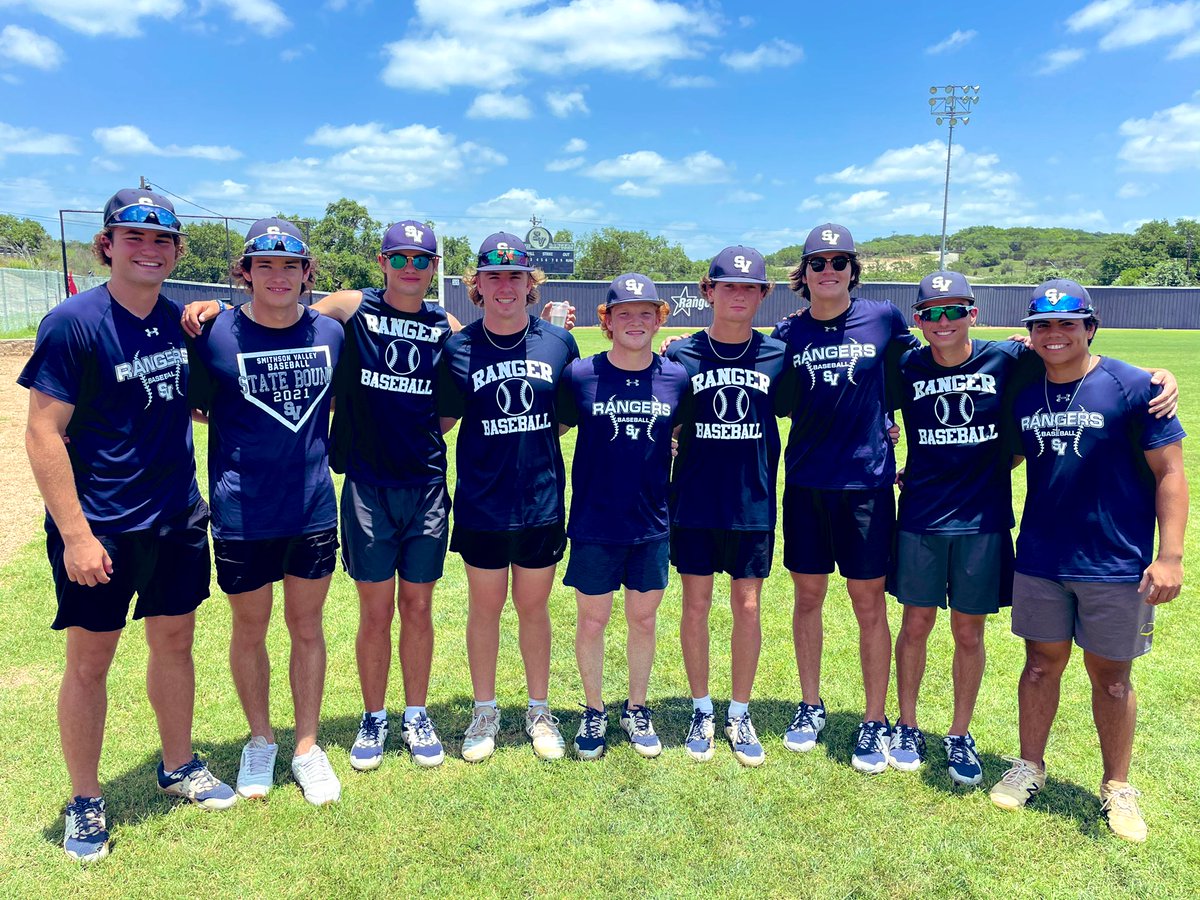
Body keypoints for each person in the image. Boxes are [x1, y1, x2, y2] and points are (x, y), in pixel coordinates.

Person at [890, 273, 1179, 784]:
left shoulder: (1015, 361)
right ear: (918, 319)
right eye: (931, 312)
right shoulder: (923, 366)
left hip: (1001, 527)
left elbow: (1163, 463)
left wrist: (1159, 375)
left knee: (976, 634)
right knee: (932, 631)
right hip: (952, 527)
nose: (943, 321)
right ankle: (917, 728)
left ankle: (965, 736)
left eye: (954, 310)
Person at [20, 188, 234, 863]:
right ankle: (85, 800)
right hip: (103, 526)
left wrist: (222, 312)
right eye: (133, 236)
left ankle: (178, 765)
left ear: (176, 252)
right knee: (90, 663)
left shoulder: (180, 323)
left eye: (163, 240)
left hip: (175, 517)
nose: (149, 248)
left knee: (175, 643)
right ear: (107, 244)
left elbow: (199, 405)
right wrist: (77, 536)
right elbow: (43, 434)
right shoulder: (73, 323)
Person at [989, 280, 1187, 843]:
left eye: (1067, 324)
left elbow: (1170, 473)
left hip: (1114, 563)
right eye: (1042, 326)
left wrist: (1169, 556)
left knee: (1113, 680)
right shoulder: (1025, 389)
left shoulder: (1132, 386)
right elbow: (1000, 455)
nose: (1054, 335)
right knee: (1039, 665)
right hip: (1042, 558)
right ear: (1030, 334)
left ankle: (1118, 787)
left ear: (1090, 328)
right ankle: (1030, 765)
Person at [188, 218, 345, 805]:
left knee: (307, 628)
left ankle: (306, 746)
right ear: (245, 273)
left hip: (310, 509)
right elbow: (198, 406)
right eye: (264, 265)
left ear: (307, 275)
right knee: (249, 629)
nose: (277, 277)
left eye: (290, 266)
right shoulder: (213, 334)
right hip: (241, 512)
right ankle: (261, 738)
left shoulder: (330, 332)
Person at [771, 223, 919, 774]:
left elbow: (929, 366)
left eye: (838, 261)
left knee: (867, 604)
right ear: (804, 275)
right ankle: (810, 705)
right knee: (808, 598)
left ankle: (874, 718)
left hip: (867, 486)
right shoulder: (788, 332)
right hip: (808, 483)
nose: (828, 270)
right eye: (817, 263)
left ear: (853, 269)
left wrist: (1019, 351)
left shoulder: (883, 318)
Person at [438, 233, 580, 762]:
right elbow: (444, 421)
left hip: (540, 500)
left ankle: (539, 710)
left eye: (515, 276)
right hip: (482, 501)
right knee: (485, 607)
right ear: (477, 284)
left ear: (529, 285)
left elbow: (563, 417)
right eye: (493, 276)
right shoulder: (458, 349)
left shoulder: (558, 343)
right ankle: (484, 709)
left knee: (534, 607)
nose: (504, 286)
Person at [664, 246, 794, 766]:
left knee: (748, 606)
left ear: (762, 295)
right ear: (708, 291)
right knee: (694, 605)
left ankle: (739, 711)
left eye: (749, 288)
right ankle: (702, 708)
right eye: (728, 286)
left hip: (753, 502)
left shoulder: (777, 355)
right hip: (695, 500)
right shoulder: (681, 355)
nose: (738, 295)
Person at [558, 274, 688, 759]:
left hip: (651, 520)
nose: (636, 321)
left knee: (644, 619)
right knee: (592, 621)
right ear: (607, 321)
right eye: (625, 313)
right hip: (595, 521)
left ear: (659, 318)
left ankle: (637, 707)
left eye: (646, 312)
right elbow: (552, 430)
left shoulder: (676, 376)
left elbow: (684, 432)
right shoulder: (580, 374)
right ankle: (593, 712)